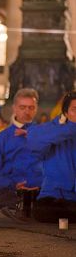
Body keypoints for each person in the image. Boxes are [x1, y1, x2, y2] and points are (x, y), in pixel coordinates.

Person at [0, 88, 43, 212]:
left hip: (39, 187)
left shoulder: (44, 134)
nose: (27, 111)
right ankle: (25, 204)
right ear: (14, 108)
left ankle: (27, 205)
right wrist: (12, 183)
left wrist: (39, 183)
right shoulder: (2, 137)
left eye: (31, 107)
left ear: (36, 109)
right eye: (22, 107)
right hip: (13, 188)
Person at [29, 91, 76, 223]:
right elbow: (34, 141)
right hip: (53, 194)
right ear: (65, 113)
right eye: (75, 109)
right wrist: (71, 128)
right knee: (42, 210)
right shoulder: (52, 129)